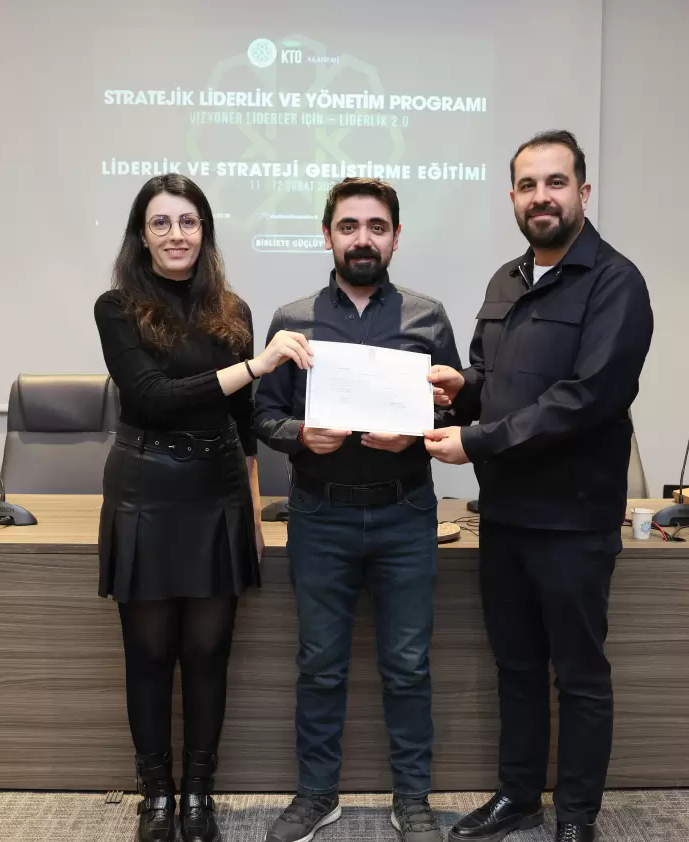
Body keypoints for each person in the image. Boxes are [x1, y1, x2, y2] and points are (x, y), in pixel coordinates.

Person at [424, 130, 654, 842]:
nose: (541, 197)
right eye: (528, 185)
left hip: (574, 521)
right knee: (517, 666)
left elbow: (586, 399)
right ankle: (518, 795)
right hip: (505, 515)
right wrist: (462, 390)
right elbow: (492, 379)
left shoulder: (616, 282)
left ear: (583, 191)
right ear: (513, 197)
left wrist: (477, 440)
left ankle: (577, 816)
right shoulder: (506, 279)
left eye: (555, 183)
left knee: (579, 675)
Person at [95, 173, 312, 842]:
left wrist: (252, 510)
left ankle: (198, 794)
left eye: (187, 222)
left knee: (209, 652)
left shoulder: (232, 310)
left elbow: (243, 423)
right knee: (149, 653)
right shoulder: (117, 307)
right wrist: (256, 367)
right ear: (141, 236)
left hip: (218, 493)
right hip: (146, 490)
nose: (175, 235)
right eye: (160, 223)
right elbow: (152, 397)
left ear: (205, 232)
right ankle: (155, 795)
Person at [255, 178, 462, 842]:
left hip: (406, 514)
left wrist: (419, 431)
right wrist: (299, 435)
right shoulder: (292, 320)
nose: (362, 239)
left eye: (376, 227)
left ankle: (413, 798)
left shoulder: (428, 317)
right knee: (319, 663)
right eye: (349, 227)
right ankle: (317, 794)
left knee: (409, 665)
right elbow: (263, 413)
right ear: (327, 236)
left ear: (396, 237)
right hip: (320, 515)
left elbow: (454, 408)